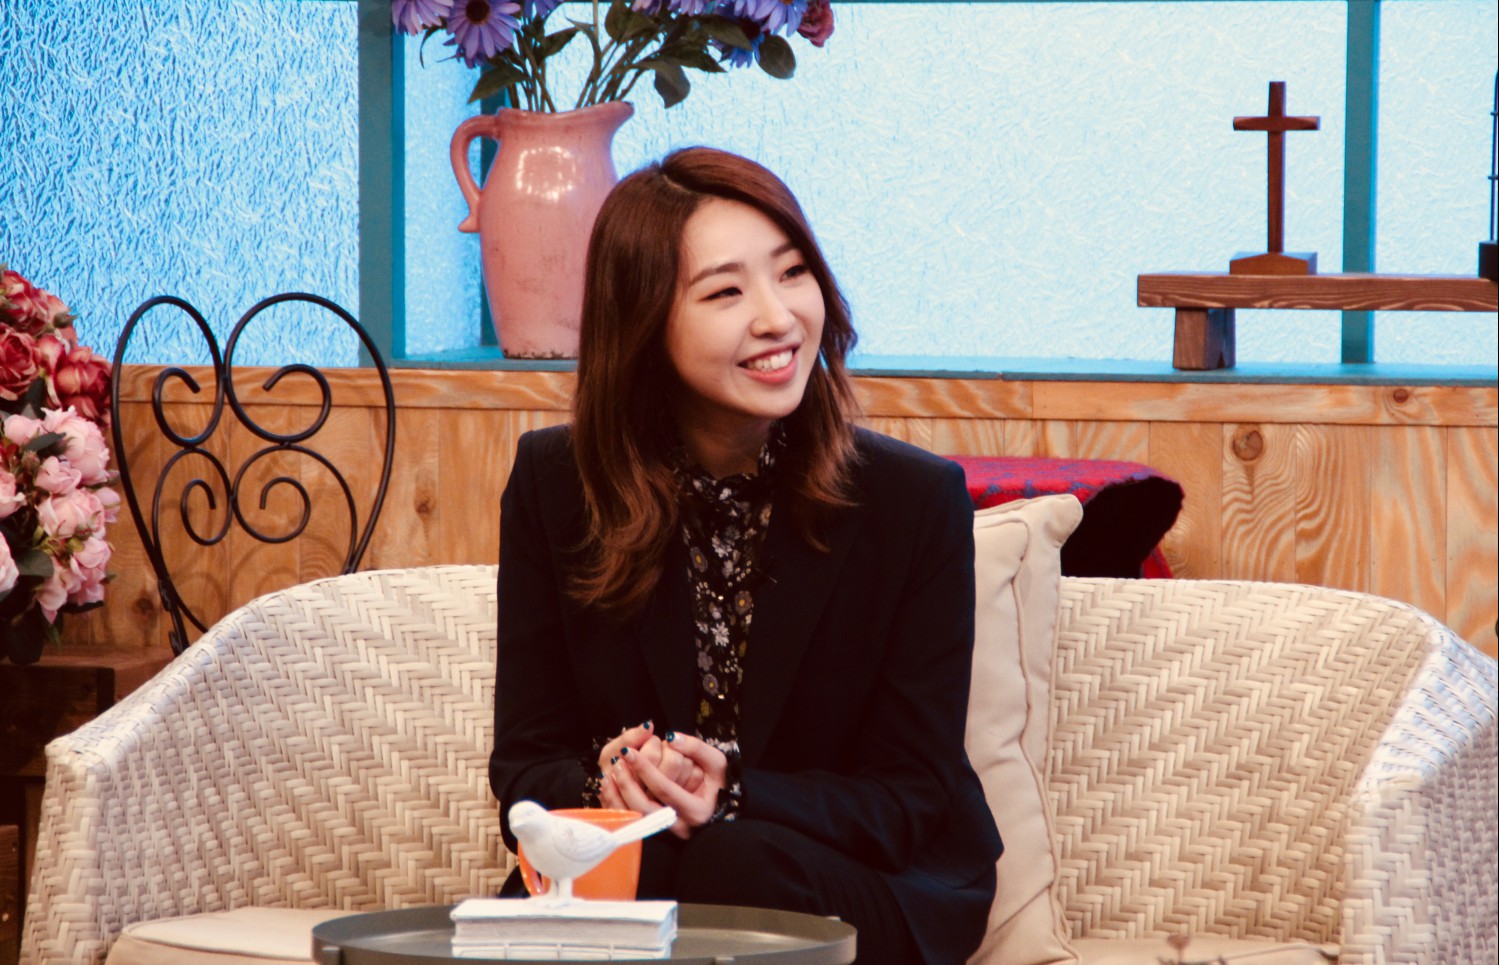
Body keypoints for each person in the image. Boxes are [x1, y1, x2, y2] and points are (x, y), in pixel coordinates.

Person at [490, 147, 1000, 964]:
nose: (777, 317)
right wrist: (609, 782)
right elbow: (523, 762)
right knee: (636, 869)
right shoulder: (556, 485)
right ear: (643, 320)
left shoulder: (912, 501)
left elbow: (910, 798)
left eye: (792, 273)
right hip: (645, 861)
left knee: (733, 860)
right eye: (725, 291)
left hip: (856, 872)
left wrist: (732, 794)